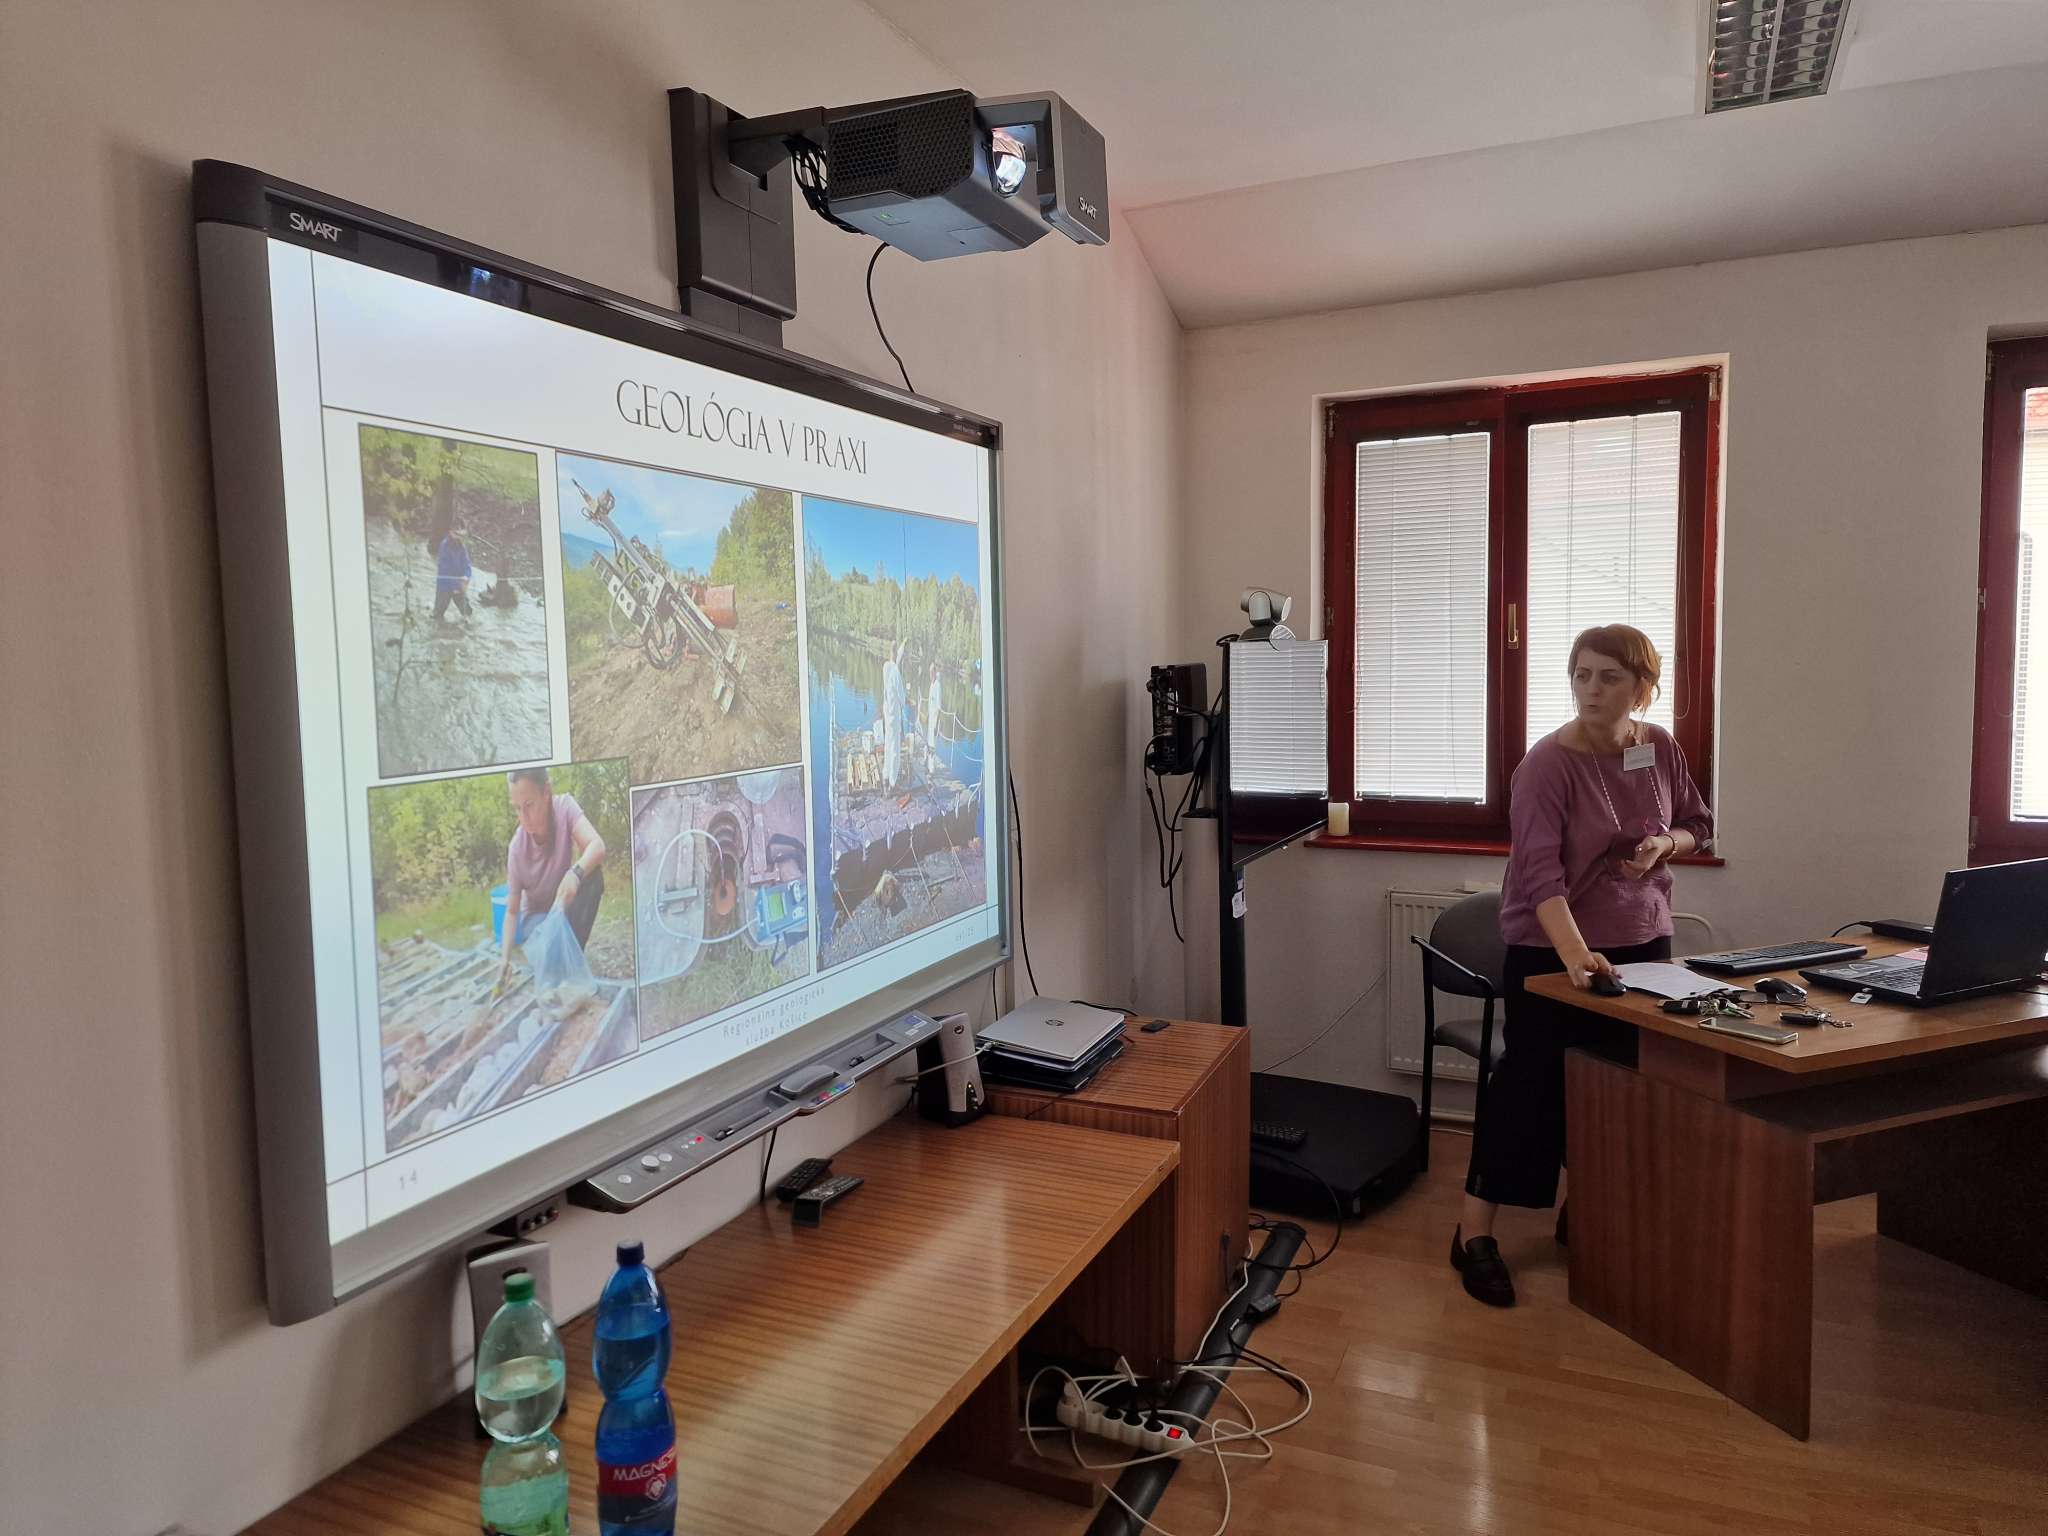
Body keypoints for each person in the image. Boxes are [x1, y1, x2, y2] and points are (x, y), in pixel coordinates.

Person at [1452, 624, 1713, 1308]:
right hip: (1550, 948)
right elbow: (1539, 877)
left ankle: (1585, 1210)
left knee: (1614, 1087)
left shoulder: (1658, 747)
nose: (1591, 689)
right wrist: (1575, 958)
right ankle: (1474, 1233)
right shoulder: (1545, 765)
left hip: (1641, 939)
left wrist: (1664, 844)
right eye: (1582, 675)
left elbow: (1699, 824)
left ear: (1643, 688)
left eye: (1609, 677)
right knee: (1529, 1087)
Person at [497, 767, 607, 992]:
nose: (524, 817)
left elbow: (597, 846)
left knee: (593, 876)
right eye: (517, 808)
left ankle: (570, 956)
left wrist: (575, 873)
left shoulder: (564, 807)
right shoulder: (517, 848)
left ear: (546, 792)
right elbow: (512, 912)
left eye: (529, 805)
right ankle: (560, 964)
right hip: (538, 920)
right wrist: (504, 959)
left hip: (563, 905)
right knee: (550, 952)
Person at [434, 525, 474, 624]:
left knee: (467, 611)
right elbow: (445, 570)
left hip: (459, 583)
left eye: (462, 535)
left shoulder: (462, 547)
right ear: (451, 532)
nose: (460, 537)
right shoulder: (444, 546)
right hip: (445, 585)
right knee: (438, 615)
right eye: (457, 534)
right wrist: (455, 586)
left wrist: (467, 576)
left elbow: (467, 564)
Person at [882, 639, 907, 789]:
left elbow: (888, 690)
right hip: (894, 715)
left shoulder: (886, 667)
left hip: (887, 712)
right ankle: (893, 781)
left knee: (887, 744)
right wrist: (906, 700)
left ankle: (886, 775)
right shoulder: (896, 672)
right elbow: (902, 699)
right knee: (895, 749)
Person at [925, 663, 945, 776]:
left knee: (932, 745)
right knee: (928, 743)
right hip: (930, 719)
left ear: (935, 672)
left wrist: (937, 723)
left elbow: (939, 706)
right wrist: (927, 715)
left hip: (935, 720)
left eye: (932, 672)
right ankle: (928, 765)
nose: (930, 674)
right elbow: (930, 703)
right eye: (929, 672)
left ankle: (932, 770)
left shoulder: (938, 685)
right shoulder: (931, 685)